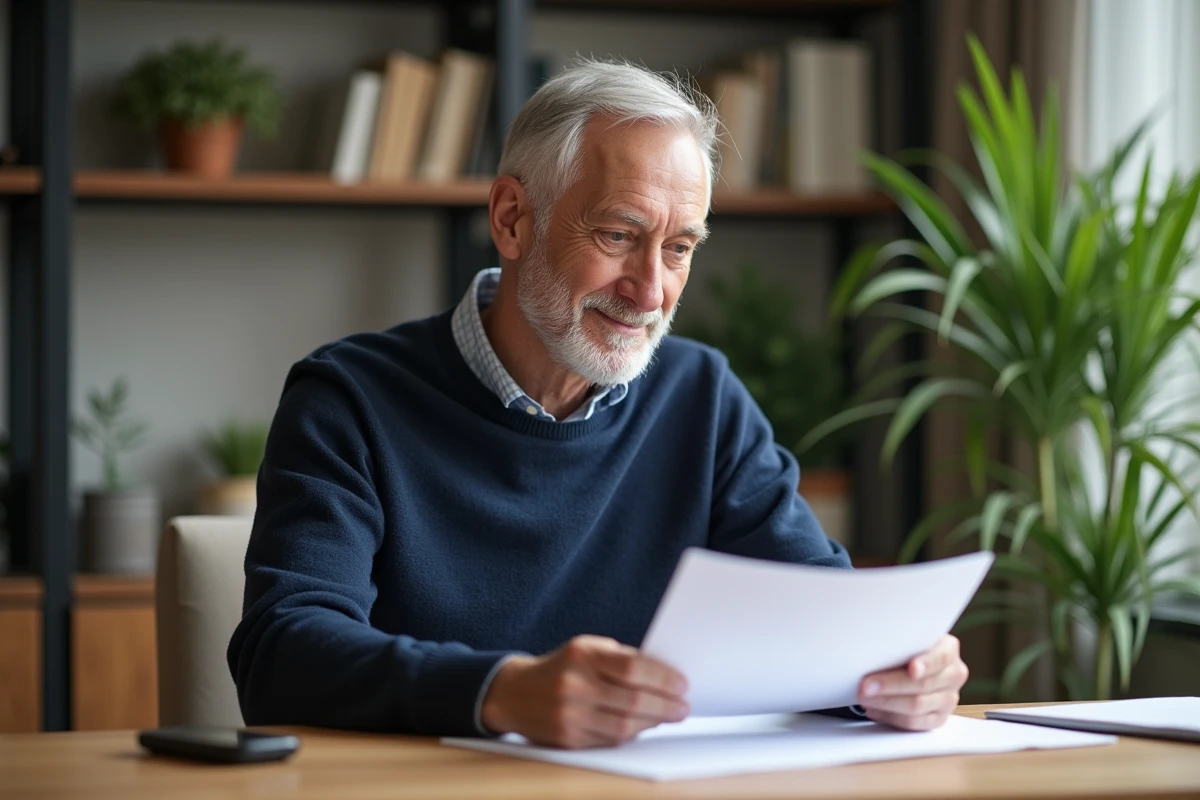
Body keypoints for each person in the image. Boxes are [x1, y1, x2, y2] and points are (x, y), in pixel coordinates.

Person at [227, 60, 968, 750]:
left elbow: (823, 619)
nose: (651, 291)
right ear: (513, 218)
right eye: (619, 235)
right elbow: (280, 654)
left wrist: (894, 677)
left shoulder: (702, 396)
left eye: (679, 248)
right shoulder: (349, 398)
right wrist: (501, 693)